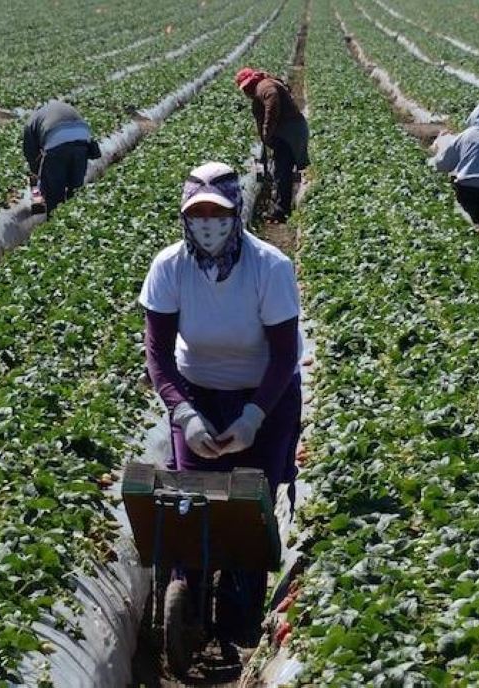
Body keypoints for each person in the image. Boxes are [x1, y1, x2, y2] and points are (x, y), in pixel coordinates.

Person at [139, 161, 302, 644]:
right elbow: (158, 355)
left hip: (264, 398)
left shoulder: (269, 266)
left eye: (219, 212)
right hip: (197, 393)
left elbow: (283, 356)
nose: (208, 223)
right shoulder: (169, 266)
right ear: (184, 216)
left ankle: (241, 608)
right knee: (192, 502)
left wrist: (253, 418)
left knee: (249, 507)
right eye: (198, 213)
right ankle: (186, 588)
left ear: (237, 212)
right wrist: (185, 414)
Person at [235, 67, 309, 223]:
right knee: (281, 170)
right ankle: (281, 207)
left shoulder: (265, 87)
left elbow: (273, 102)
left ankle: (280, 211)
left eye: (246, 87)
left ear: (252, 81)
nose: (246, 92)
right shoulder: (264, 86)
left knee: (282, 171)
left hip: (290, 133)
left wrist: (267, 130)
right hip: (288, 132)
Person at [21, 99, 102, 214]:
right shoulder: (62, 108)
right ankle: (74, 218)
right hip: (82, 139)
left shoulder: (32, 120)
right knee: (76, 187)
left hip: (56, 141)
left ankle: (55, 221)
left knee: (55, 192)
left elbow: (30, 152)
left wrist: (37, 174)